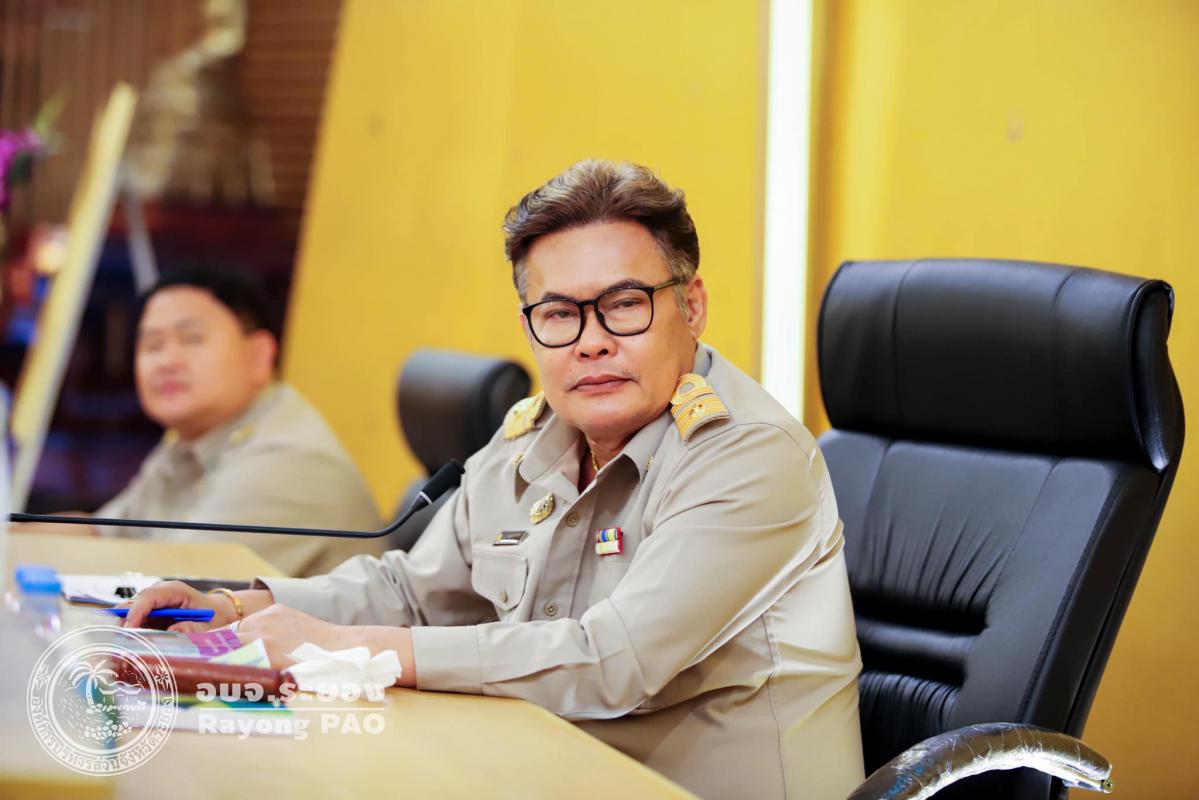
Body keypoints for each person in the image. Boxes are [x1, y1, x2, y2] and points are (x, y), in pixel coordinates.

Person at [125, 162, 865, 798]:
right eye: (559, 314)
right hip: (542, 774)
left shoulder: (748, 455)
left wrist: (341, 648)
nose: (591, 342)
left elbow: (612, 661)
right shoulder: (533, 440)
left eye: (624, 305)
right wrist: (239, 607)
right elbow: (413, 592)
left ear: (691, 306)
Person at [17, 266, 384, 577]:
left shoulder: (289, 460)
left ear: (259, 356)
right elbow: (102, 534)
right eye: (152, 345)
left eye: (191, 339)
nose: (166, 361)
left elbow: (170, 587)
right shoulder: (193, 438)